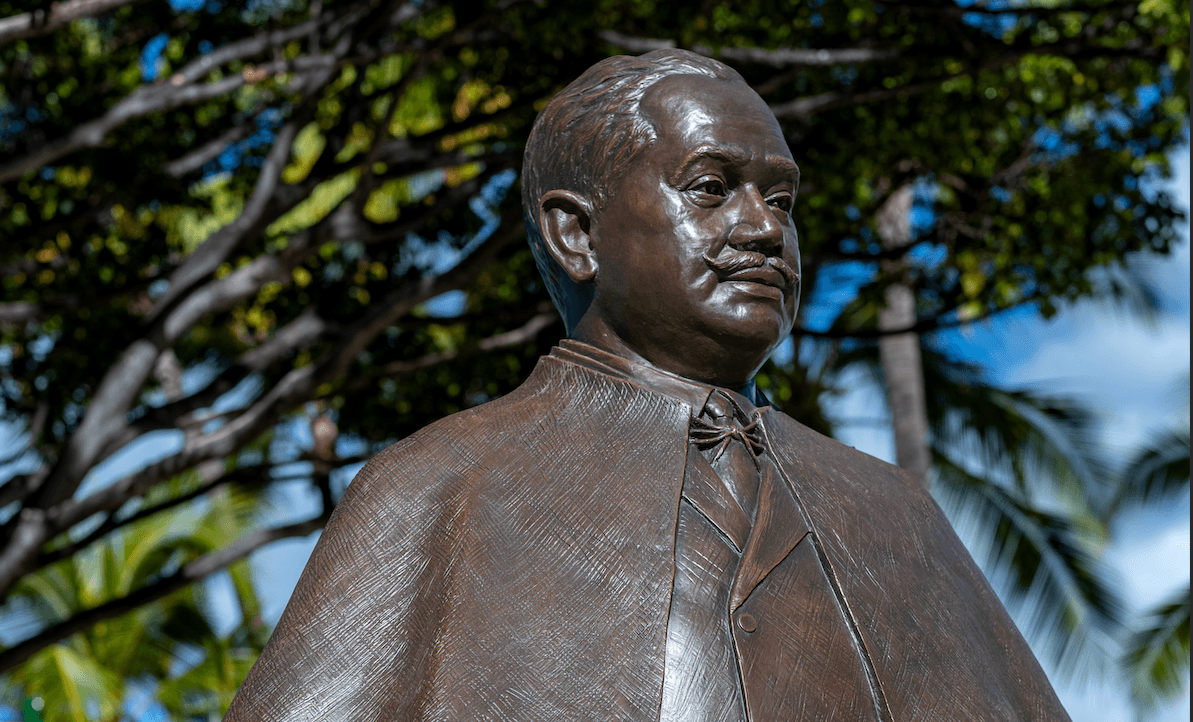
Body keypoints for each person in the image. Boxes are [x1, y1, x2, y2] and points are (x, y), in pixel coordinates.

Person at [224, 49, 1071, 721]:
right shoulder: (442, 484)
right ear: (576, 235)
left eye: (781, 198)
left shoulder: (893, 512)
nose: (763, 228)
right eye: (711, 188)